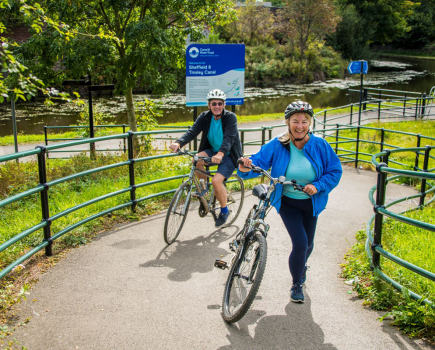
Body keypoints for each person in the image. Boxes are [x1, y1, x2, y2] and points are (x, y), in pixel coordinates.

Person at [238, 101, 342, 303]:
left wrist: (319, 185)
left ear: (309, 123)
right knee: (301, 243)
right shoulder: (278, 144)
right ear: (288, 123)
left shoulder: (320, 145)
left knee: (308, 245)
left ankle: (301, 267)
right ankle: (297, 283)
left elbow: (335, 171)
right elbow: (257, 162)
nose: (300, 125)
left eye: (304, 121)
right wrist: (245, 167)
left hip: (311, 202)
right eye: (295, 121)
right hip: (288, 201)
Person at [169, 89, 243, 227]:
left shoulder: (230, 117)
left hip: (228, 155)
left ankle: (224, 210)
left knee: (216, 181)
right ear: (209, 105)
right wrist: (178, 143)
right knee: (196, 159)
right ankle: (204, 190)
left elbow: (229, 139)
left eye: (220, 103)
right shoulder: (204, 117)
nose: (217, 106)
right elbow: (192, 131)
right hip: (213, 151)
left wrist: (220, 154)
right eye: (214, 103)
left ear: (224, 105)